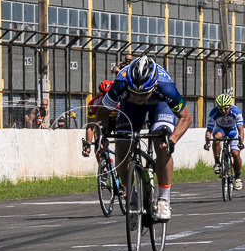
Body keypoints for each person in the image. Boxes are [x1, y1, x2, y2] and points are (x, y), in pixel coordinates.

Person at [97, 56, 192, 221]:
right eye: (135, 93)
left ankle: (164, 199)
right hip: (130, 108)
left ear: (154, 86)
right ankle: (130, 195)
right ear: (129, 87)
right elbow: (103, 112)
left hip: (159, 106)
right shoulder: (121, 83)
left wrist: (172, 140)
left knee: (162, 145)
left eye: (144, 94)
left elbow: (186, 117)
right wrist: (102, 135)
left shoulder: (165, 86)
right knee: (121, 147)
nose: (139, 98)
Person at [204, 93, 243, 190]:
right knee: (217, 137)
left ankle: (238, 177)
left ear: (230, 106)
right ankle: (217, 163)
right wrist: (207, 142)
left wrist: (241, 142)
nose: (223, 111)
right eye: (220, 109)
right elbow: (209, 131)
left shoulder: (236, 111)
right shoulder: (213, 112)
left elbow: (241, 130)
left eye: (225, 108)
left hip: (232, 131)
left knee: (235, 153)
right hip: (220, 129)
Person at [82, 79, 114, 160]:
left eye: (108, 94)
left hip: (118, 119)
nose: (105, 97)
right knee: (98, 141)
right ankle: (103, 165)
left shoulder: (120, 101)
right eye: (103, 93)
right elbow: (91, 125)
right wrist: (88, 144)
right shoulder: (93, 103)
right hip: (104, 120)